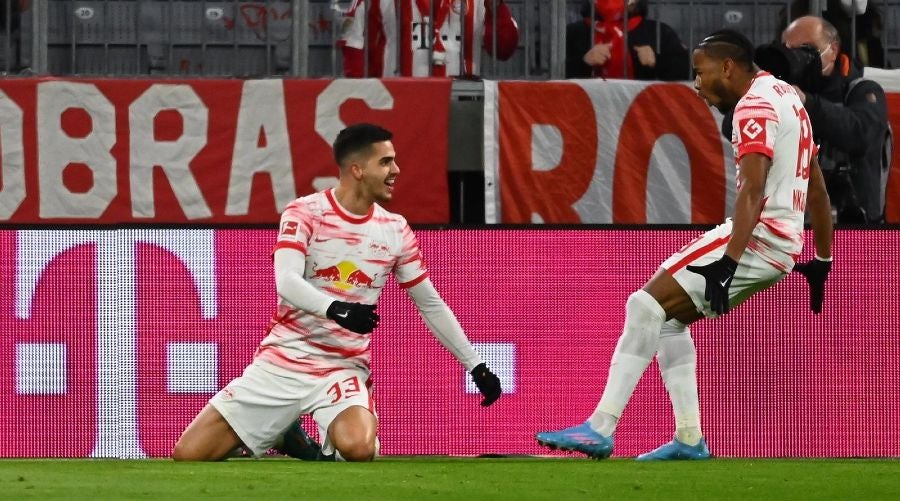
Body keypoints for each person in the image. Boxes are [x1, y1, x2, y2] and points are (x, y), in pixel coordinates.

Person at [536, 29, 834, 460]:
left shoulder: (753, 105)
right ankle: (690, 438)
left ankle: (599, 427)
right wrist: (822, 257)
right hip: (781, 244)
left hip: (758, 237)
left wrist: (727, 263)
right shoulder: (787, 96)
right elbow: (817, 185)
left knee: (643, 305)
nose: (696, 83)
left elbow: (752, 192)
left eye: (700, 71)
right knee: (668, 322)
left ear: (727, 67)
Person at [172, 123, 502, 462]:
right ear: (357, 170)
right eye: (385, 162)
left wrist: (475, 365)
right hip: (283, 359)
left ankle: (305, 439)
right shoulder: (305, 212)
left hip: (342, 367)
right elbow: (286, 280)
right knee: (188, 455)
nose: (396, 170)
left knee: (358, 449)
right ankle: (284, 432)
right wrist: (336, 308)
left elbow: (430, 303)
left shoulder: (395, 229)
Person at [780, 16, 890, 223]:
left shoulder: (862, 90)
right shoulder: (779, 91)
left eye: (806, 49)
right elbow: (733, 126)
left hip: (854, 223)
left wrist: (807, 103)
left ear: (833, 50)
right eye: (789, 51)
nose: (796, 58)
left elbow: (861, 134)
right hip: (792, 223)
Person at [338, 0, 519, 78]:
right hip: (399, 102)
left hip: (460, 104)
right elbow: (355, 47)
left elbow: (504, 49)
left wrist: (496, 9)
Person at [565, 0, 690, 81]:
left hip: (644, 113)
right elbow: (555, 77)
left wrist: (658, 61)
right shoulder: (573, 32)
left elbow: (690, 74)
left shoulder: (658, 32)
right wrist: (583, 63)